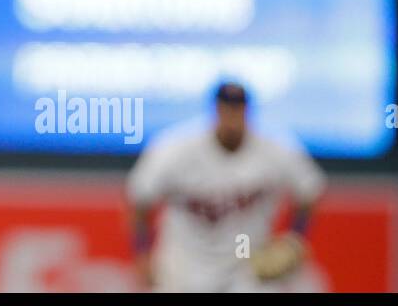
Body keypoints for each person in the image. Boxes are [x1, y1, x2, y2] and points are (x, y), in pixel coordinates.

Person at [127, 81, 326, 292]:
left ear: (247, 110)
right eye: (227, 106)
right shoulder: (176, 148)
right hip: (185, 266)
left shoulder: (276, 149)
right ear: (216, 109)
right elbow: (140, 199)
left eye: (238, 106)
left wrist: (294, 239)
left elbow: (309, 189)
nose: (232, 113)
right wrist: (142, 253)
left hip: (245, 262)